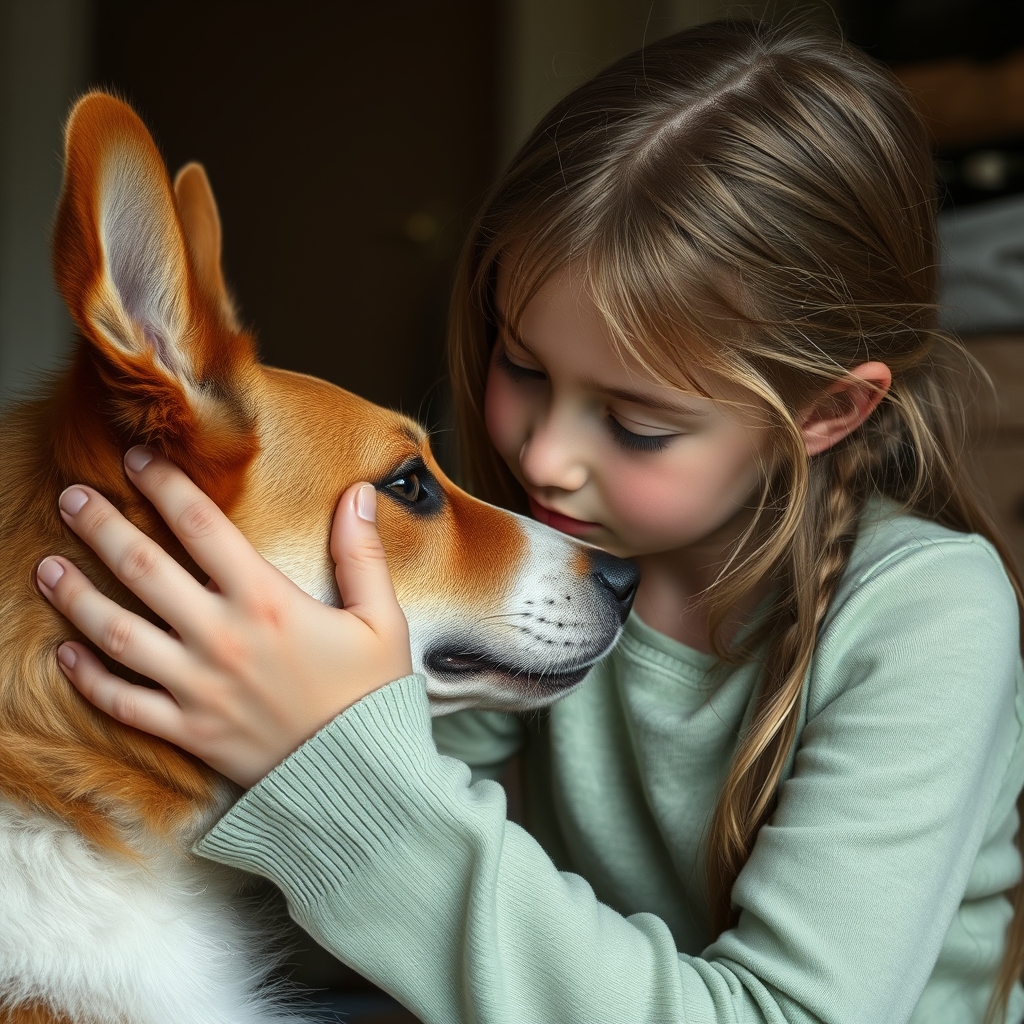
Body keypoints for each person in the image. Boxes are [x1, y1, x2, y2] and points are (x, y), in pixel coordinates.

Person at [33, 18, 1024, 1024]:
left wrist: (335, 755)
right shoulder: (539, 557)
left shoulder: (933, 614)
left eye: (636, 422)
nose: (542, 457)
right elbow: (387, 937)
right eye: (521, 366)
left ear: (824, 413)